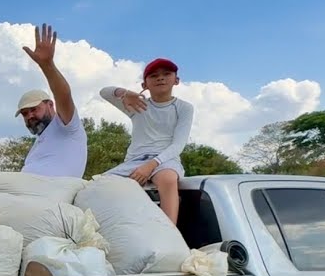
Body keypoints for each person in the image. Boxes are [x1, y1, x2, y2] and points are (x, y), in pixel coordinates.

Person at [99, 57, 195, 224]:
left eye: (166, 74)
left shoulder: (184, 107)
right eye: (153, 76)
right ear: (144, 85)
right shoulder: (137, 105)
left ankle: (169, 232)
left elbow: (178, 145)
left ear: (176, 80)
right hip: (134, 161)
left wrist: (150, 165)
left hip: (165, 160)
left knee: (167, 179)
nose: (160, 78)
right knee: (97, 185)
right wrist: (125, 93)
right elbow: (104, 92)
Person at [16, 23, 88, 178]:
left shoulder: (66, 126)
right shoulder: (39, 144)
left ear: (50, 105)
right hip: (24, 191)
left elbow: (64, 95)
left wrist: (47, 65)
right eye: (24, 114)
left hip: (46, 191)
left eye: (34, 109)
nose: (29, 116)